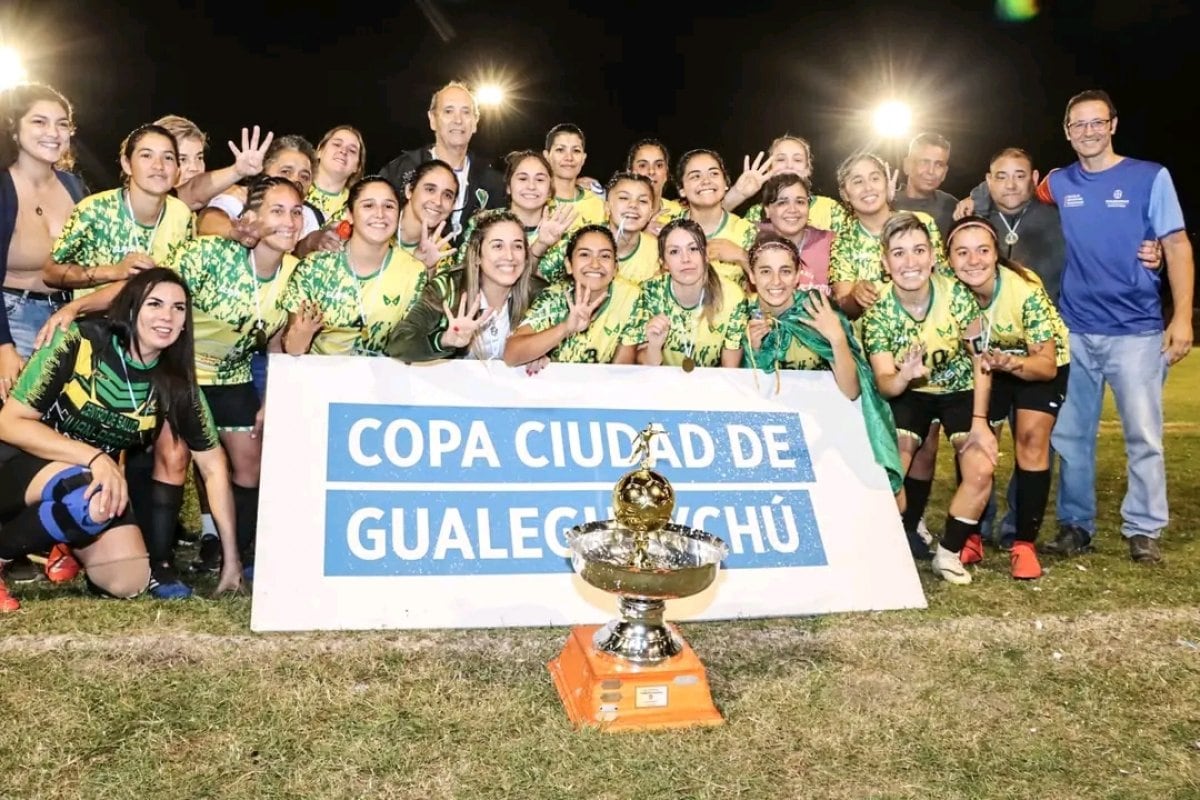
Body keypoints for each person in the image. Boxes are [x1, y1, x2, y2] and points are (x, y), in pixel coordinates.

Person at [0, 269, 241, 611]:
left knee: (127, 580)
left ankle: (58, 531)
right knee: (93, 492)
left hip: (82, 479)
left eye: (179, 308)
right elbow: (9, 423)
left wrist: (231, 560)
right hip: (15, 462)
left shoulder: (177, 383)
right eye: (154, 304)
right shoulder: (79, 341)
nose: (167, 316)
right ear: (130, 308)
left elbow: (213, 466)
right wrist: (96, 458)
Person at [1041, 90, 1193, 564]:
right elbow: (1015, 190)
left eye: (1096, 122)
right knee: (1071, 435)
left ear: (1113, 124)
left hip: (1137, 331)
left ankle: (1144, 528)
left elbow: (1177, 244)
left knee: (1144, 435)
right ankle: (1075, 524)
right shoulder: (1059, 182)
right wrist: (972, 199)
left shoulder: (1150, 177)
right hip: (1076, 331)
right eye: (1077, 124)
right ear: (1067, 131)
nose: (1087, 131)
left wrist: (1183, 316)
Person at [861, 212, 997, 583]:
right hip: (910, 392)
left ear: (933, 256)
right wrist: (904, 374)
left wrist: (981, 423)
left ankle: (949, 552)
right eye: (900, 253)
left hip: (959, 389)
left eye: (919, 250)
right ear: (885, 263)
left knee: (981, 466)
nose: (911, 262)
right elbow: (886, 384)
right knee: (892, 471)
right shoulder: (878, 314)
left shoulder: (956, 294)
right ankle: (879, 548)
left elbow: (980, 359)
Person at [945, 216, 1070, 579]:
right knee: (975, 440)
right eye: (962, 252)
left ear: (996, 253)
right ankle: (971, 535)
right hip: (990, 366)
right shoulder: (951, 290)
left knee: (1031, 441)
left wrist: (1012, 363)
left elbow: (1045, 366)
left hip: (1037, 364)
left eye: (983, 250)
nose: (973, 260)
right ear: (949, 258)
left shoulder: (1023, 290)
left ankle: (1024, 544)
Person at [743, 232, 902, 494]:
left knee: (889, 501)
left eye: (785, 271)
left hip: (827, 424)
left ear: (797, 276)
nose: (775, 281)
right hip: (774, 433)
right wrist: (754, 349)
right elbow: (745, 396)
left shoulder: (817, 309)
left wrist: (837, 337)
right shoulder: (743, 315)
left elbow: (852, 390)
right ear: (752, 276)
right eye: (765, 271)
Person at [43, 123, 194, 304]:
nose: (159, 166)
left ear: (178, 170)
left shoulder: (181, 215)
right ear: (127, 164)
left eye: (168, 158)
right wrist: (114, 271)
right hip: (96, 325)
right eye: (146, 155)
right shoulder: (95, 210)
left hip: (154, 326)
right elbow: (50, 273)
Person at [282, 176, 429, 356]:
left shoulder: (413, 272)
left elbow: (408, 345)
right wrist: (302, 335)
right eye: (368, 205)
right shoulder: (314, 268)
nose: (380, 214)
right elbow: (291, 348)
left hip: (382, 379)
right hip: (319, 377)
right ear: (349, 215)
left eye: (389, 206)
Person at [386, 210, 537, 362]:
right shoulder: (447, 288)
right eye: (498, 246)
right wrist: (444, 340)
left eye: (517, 247)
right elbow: (398, 344)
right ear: (477, 256)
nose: (509, 256)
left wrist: (540, 355)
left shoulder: (536, 293)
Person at [378, 81, 505, 245]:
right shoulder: (401, 171)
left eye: (466, 112)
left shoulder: (492, 182)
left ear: (475, 122)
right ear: (432, 119)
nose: (458, 120)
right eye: (448, 111)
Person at [613, 218, 748, 368]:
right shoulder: (650, 292)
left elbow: (729, 371)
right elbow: (646, 369)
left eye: (693, 249)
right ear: (663, 262)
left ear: (706, 256)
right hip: (662, 383)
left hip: (710, 385)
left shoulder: (732, 296)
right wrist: (654, 347)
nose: (686, 259)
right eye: (674, 252)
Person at [829, 152, 945, 320]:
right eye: (858, 181)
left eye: (875, 178)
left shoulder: (921, 222)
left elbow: (944, 280)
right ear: (845, 194)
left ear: (886, 183)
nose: (868, 187)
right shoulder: (843, 242)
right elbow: (844, 303)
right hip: (873, 339)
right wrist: (855, 296)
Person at [504, 224, 640, 366]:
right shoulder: (555, 297)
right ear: (569, 265)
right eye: (584, 255)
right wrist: (566, 328)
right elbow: (511, 354)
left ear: (615, 268)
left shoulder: (631, 297)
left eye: (605, 256)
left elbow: (623, 368)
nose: (595, 264)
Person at [457, 150, 575, 276]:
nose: (531, 186)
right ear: (508, 186)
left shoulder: (563, 236)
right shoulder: (483, 223)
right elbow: (461, 275)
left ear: (550, 190)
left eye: (540, 180)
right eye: (523, 178)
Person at [723, 134, 844, 231]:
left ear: (808, 169)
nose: (789, 165)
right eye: (781, 159)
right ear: (770, 168)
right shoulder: (756, 213)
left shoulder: (830, 209)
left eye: (797, 159)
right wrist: (738, 194)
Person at [155, 115, 273, 213]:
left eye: (199, 157)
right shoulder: (151, 201)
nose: (195, 168)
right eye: (182, 159)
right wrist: (237, 171)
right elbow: (194, 192)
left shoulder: (214, 199)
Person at [675, 149, 756, 288]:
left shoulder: (747, 231)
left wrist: (741, 255)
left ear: (726, 183)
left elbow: (769, 283)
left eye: (714, 173)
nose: (706, 181)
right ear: (681, 189)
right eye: (695, 176)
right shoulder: (667, 229)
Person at [757, 173, 835, 293]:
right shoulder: (750, 236)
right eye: (782, 202)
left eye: (800, 202)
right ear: (767, 210)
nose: (792, 209)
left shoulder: (831, 243)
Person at [892, 133, 957, 237]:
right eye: (924, 162)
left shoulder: (952, 207)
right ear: (907, 165)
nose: (931, 171)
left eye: (938, 164)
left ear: (945, 172)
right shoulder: (887, 202)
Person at [543, 123, 606, 226]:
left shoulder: (598, 203)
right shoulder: (536, 201)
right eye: (560, 150)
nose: (569, 158)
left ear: (583, 158)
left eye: (576, 151)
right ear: (546, 156)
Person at [307, 125, 365, 222]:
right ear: (319, 151)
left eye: (352, 150)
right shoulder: (294, 186)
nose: (343, 151)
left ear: (357, 167)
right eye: (337, 144)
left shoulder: (357, 208)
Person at [626, 138, 681, 234]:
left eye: (659, 165)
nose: (651, 171)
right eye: (643, 165)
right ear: (630, 172)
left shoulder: (681, 211)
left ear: (667, 173)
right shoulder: (615, 211)